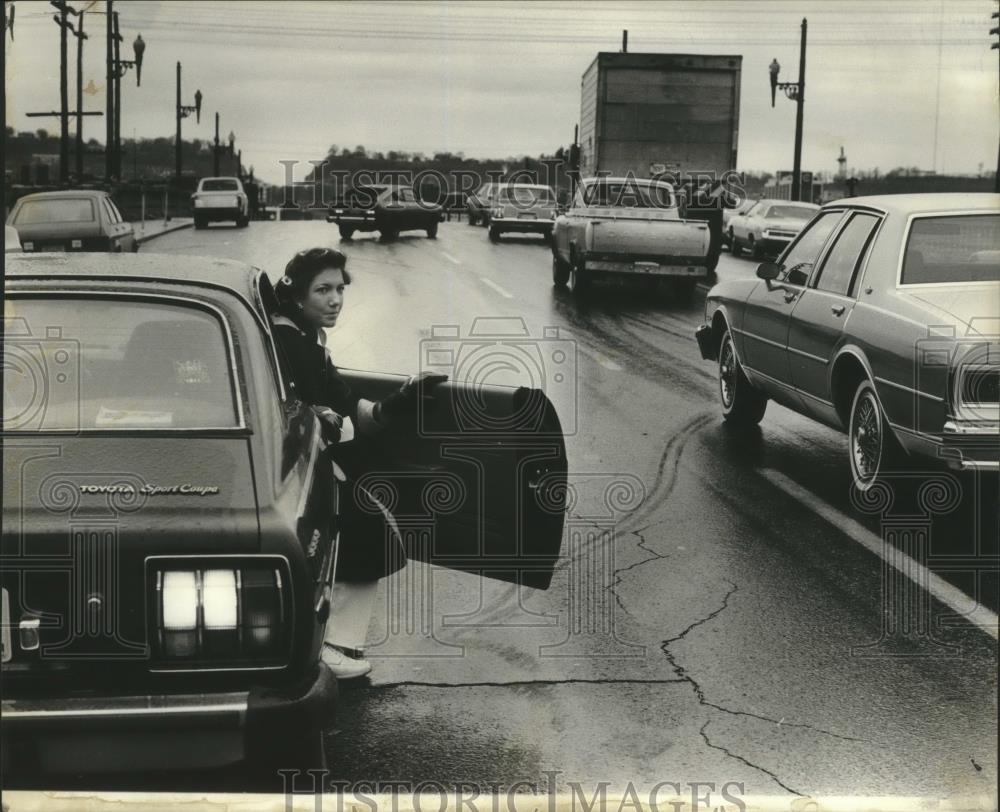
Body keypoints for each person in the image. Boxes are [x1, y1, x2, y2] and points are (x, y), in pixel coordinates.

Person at [270, 246, 446, 678]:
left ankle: (339, 644)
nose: (335, 300)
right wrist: (319, 415)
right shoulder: (285, 341)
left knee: (370, 525)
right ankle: (328, 645)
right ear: (297, 295)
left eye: (340, 289)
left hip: (317, 459)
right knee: (364, 528)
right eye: (322, 290)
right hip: (289, 469)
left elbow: (350, 408)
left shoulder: (310, 339)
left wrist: (402, 398)